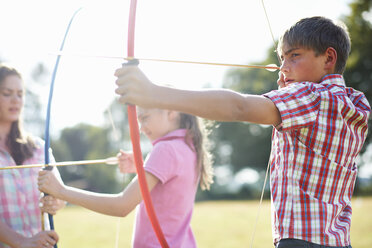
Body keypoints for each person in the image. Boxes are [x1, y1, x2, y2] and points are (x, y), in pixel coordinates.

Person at [113, 16, 371, 248]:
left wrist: (154, 94)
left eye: (294, 56)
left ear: (328, 58)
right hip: (337, 240)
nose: (284, 67)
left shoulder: (311, 98)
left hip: (301, 242)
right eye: (282, 58)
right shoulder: (352, 104)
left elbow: (238, 107)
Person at [38, 106, 213, 247]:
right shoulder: (187, 146)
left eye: (145, 117)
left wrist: (61, 190)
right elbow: (170, 189)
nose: (141, 128)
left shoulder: (166, 149)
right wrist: (142, 168)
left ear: (170, 111)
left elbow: (121, 206)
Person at [0, 64, 64, 248]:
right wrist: (22, 242)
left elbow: (61, 196)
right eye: (7, 93)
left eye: (20, 94)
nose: (15, 100)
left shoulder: (39, 148)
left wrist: (55, 202)